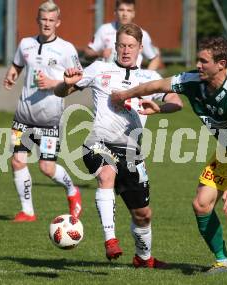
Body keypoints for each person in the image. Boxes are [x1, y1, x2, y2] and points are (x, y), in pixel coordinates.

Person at [111, 36, 227, 274]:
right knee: (201, 205)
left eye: (203, 61)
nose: (197, 65)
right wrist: (126, 95)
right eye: (197, 60)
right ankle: (222, 261)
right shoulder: (194, 80)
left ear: (221, 64)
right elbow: (158, 86)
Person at [54, 23, 182, 268]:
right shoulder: (100, 68)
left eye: (131, 46)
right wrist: (65, 83)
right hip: (98, 143)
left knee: (143, 215)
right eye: (122, 45)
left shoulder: (150, 78)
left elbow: (177, 102)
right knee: (107, 173)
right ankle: (110, 240)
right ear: (115, 46)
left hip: (132, 153)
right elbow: (63, 92)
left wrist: (158, 109)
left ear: (140, 48)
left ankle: (144, 258)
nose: (126, 50)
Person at [3, 1, 82, 222]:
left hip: (49, 119)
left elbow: (79, 79)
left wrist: (54, 83)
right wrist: (11, 74)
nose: (47, 24)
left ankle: (72, 191)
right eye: (43, 20)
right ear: (38, 20)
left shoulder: (67, 49)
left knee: (47, 168)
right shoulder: (25, 44)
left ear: (58, 22)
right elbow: (18, 65)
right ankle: (27, 212)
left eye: (51, 20)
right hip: (23, 117)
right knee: (17, 161)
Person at [84, 0, 162, 70]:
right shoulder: (104, 30)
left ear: (133, 14)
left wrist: (146, 77)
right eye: (121, 10)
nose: (125, 14)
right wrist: (99, 53)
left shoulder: (142, 34)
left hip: (132, 81)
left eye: (129, 10)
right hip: (107, 79)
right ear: (115, 12)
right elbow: (87, 54)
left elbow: (155, 59)